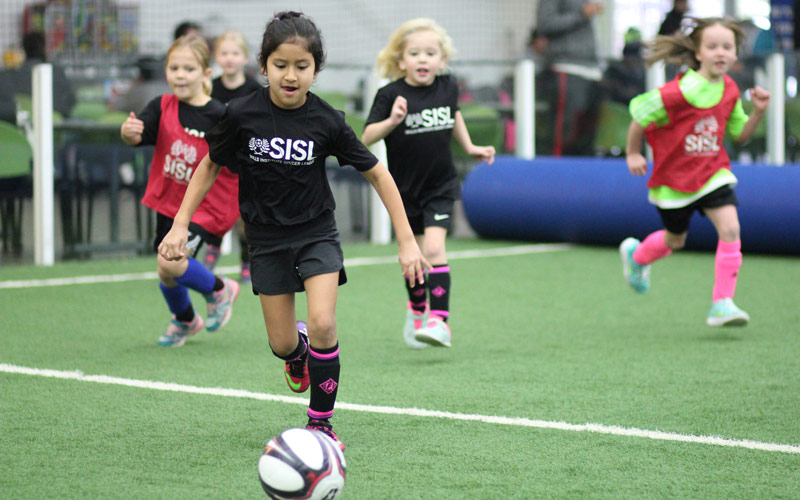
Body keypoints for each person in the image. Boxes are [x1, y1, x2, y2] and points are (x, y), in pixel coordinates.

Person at [158, 11, 430, 449]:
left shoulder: (327, 121)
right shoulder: (241, 114)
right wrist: (180, 224)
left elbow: (378, 173)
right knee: (283, 343)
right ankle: (299, 353)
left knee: (324, 322)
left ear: (315, 70)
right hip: (264, 240)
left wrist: (407, 241)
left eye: (301, 66)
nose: (290, 75)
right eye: (280, 65)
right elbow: (209, 166)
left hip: (316, 233)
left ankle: (321, 423)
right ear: (263, 66)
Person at [619, 17, 770, 327]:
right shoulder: (680, 91)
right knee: (675, 241)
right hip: (674, 180)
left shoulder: (730, 89)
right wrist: (633, 153)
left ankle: (722, 303)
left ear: (735, 53)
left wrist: (758, 111)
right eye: (712, 46)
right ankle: (637, 257)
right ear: (698, 53)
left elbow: (740, 135)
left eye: (727, 47)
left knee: (730, 230)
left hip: (713, 173)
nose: (721, 53)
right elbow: (640, 115)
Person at [362, 18, 496, 349]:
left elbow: (455, 114)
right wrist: (393, 120)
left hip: (440, 185)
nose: (423, 59)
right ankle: (417, 306)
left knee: (434, 249)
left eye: (430, 53)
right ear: (401, 60)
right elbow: (366, 137)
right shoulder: (390, 94)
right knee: (414, 258)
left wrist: (469, 147)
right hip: (404, 191)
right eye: (415, 53)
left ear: (442, 59)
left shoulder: (448, 86)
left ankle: (439, 321)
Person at [120, 34, 241, 346]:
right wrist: (129, 133)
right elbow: (140, 135)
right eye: (174, 68)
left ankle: (219, 289)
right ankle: (186, 320)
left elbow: (239, 157)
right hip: (170, 203)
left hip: (207, 206)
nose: (180, 75)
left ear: (205, 74)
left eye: (189, 69)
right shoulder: (161, 106)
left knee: (169, 262)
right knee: (167, 270)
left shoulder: (220, 115)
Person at [201, 30, 264, 284]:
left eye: (235, 53)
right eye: (224, 53)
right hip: (219, 162)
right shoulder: (211, 88)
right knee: (216, 210)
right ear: (217, 57)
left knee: (243, 216)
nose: (229, 58)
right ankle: (213, 248)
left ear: (245, 57)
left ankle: (246, 263)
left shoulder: (253, 89)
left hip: (246, 163)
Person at [535, 0, 604, 156]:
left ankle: (583, 176)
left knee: (587, 134)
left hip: (592, 70)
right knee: (564, 131)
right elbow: (545, 24)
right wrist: (581, 14)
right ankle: (556, 174)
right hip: (566, 68)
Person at [11, 32, 76, 118]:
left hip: (22, 125)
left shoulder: (12, 76)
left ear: (24, 49)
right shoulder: (56, 72)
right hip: (56, 125)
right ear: (44, 49)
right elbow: (71, 101)